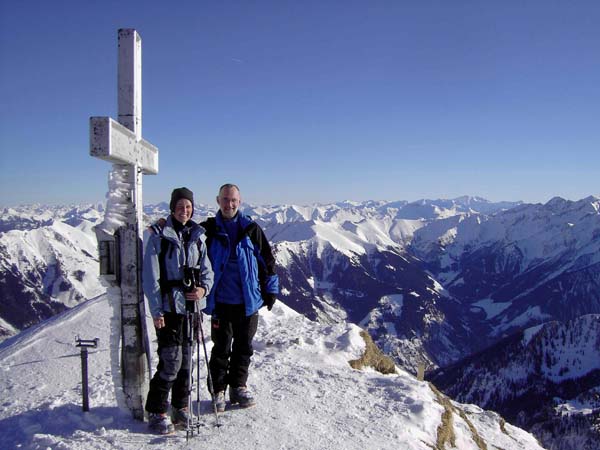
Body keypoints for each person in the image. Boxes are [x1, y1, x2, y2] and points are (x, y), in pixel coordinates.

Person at [201, 183, 279, 412]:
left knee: (243, 348)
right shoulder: (208, 230)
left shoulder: (252, 229)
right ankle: (218, 390)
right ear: (218, 201)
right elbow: (184, 236)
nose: (229, 204)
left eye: (233, 200)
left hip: (248, 302)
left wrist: (271, 290)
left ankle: (238, 386)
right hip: (221, 302)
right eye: (225, 199)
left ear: (240, 201)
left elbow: (268, 261)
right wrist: (162, 223)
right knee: (221, 348)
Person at [142, 187, 214, 435]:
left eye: (189, 206)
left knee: (186, 361)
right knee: (171, 361)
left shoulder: (197, 236)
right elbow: (151, 278)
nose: (185, 210)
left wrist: (203, 290)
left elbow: (207, 270)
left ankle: (180, 406)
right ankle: (156, 410)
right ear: (172, 208)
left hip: (191, 308)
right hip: (169, 308)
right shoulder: (159, 235)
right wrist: (156, 310)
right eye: (181, 206)